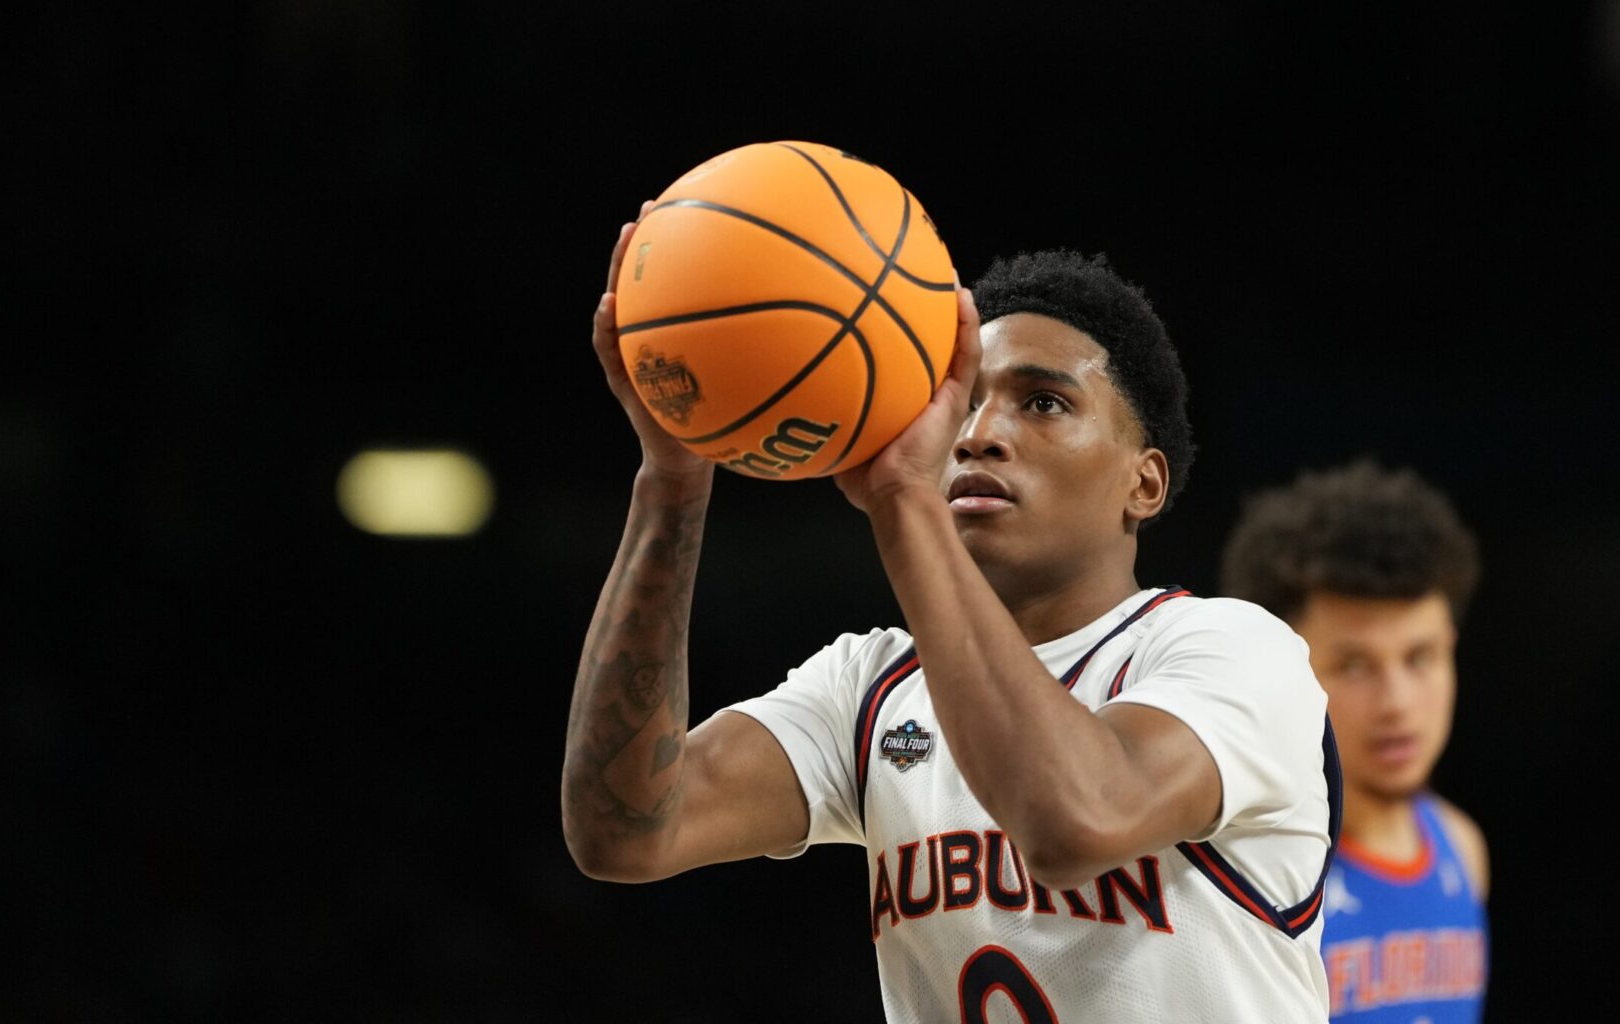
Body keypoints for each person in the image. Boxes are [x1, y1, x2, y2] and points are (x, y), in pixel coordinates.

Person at [562, 209, 1338, 1022]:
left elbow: (1076, 821)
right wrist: (672, 482)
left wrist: (903, 502)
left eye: (1043, 403)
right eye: (963, 404)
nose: (979, 434)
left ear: (1143, 483)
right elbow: (625, 833)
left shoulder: (1233, 651)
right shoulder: (869, 688)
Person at [1219, 460, 1489, 1022]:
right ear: (1277, 669)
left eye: (1420, 657)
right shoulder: (1236, 878)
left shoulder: (1462, 848)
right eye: (1354, 666)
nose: (1397, 703)